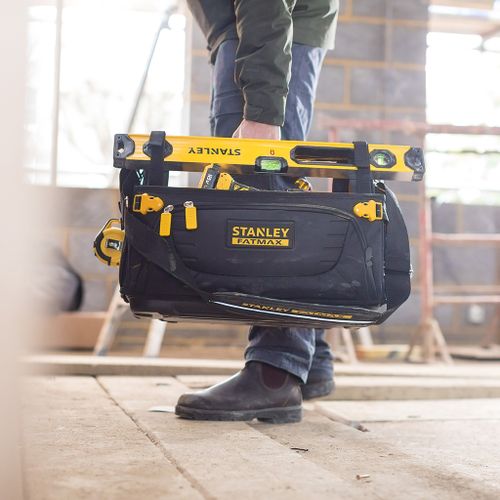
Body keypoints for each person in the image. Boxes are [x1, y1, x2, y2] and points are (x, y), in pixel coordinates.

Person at [175, 0, 340, 423]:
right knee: (268, 197)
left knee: (262, 206)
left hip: (263, 35)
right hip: (262, 34)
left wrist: (262, 111)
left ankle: (275, 372)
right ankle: (309, 358)